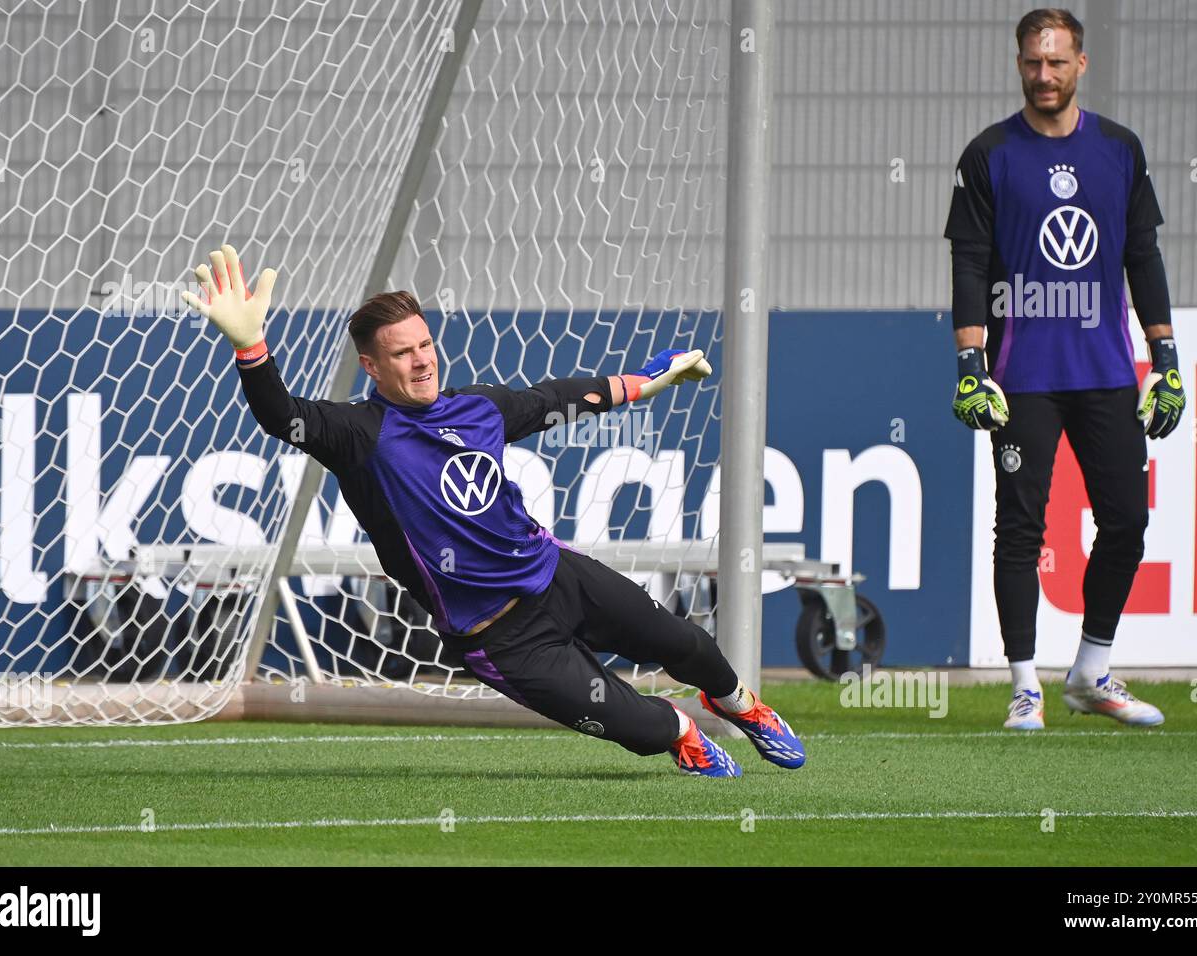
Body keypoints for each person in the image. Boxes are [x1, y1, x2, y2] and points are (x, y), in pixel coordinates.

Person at [181, 244, 806, 775]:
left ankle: (737, 704)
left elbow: (562, 398)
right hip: (500, 638)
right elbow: (281, 417)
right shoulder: (356, 435)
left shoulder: (476, 409)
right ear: (370, 367)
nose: (422, 359)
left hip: (556, 575)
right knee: (641, 727)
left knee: (682, 642)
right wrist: (252, 349)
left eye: (424, 344)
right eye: (402, 353)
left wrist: (653, 377)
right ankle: (683, 736)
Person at [944, 8, 1185, 730]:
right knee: (1019, 527)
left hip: (1108, 370)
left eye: (1055, 62)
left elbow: (1142, 255)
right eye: (1031, 63)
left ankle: (1091, 671)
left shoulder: (1120, 149)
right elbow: (969, 262)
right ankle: (1025, 688)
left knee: (1127, 521)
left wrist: (1166, 358)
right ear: (1019, 64)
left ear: (1081, 64)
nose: (1042, 75)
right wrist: (968, 363)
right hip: (1022, 376)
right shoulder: (988, 154)